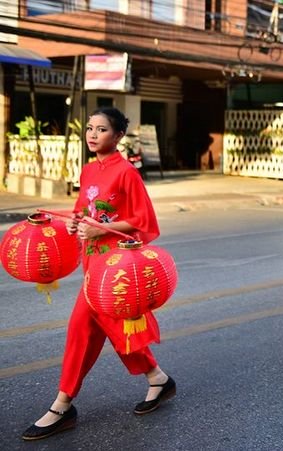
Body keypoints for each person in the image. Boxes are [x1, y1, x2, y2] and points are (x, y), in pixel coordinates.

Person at [22, 108, 174, 441]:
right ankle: (158, 379)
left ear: (118, 136)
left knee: (81, 328)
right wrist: (76, 222)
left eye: (101, 129)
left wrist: (99, 229)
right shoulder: (89, 169)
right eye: (90, 128)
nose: (92, 134)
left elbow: (142, 221)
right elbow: (84, 209)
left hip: (115, 268)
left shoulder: (127, 173)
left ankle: (62, 405)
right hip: (94, 264)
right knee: (116, 332)